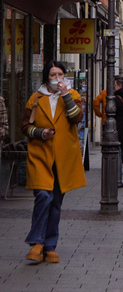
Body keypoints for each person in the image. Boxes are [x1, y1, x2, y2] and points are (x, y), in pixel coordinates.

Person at [21, 61, 85, 264]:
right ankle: (37, 242)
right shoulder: (36, 98)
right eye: (53, 74)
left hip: (64, 157)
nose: (57, 78)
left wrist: (66, 94)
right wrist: (41, 133)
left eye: (60, 74)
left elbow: (77, 118)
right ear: (46, 77)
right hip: (40, 154)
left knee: (56, 201)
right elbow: (24, 127)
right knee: (43, 196)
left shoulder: (73, 95)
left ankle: (49, 246)